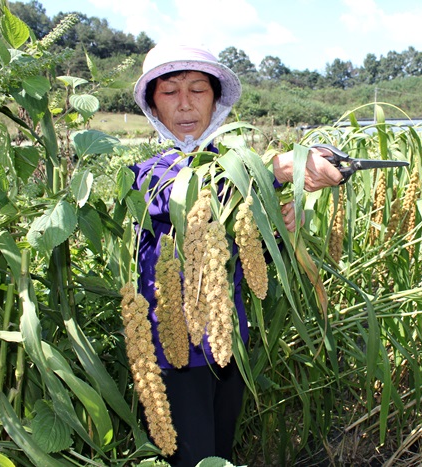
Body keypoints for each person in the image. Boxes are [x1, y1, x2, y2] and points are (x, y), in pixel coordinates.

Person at [129, 42, 343, 466]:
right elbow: (186, 197)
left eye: (198, 90)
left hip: (227, 345)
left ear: (215, 101)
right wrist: (277, 168)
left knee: (219, 455)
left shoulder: (230, 166)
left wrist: (275, 228)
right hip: (173, 355)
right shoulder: (148, 174)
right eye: (170, 92)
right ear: (154, 104)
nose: (186, 104)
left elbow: (246, 256)